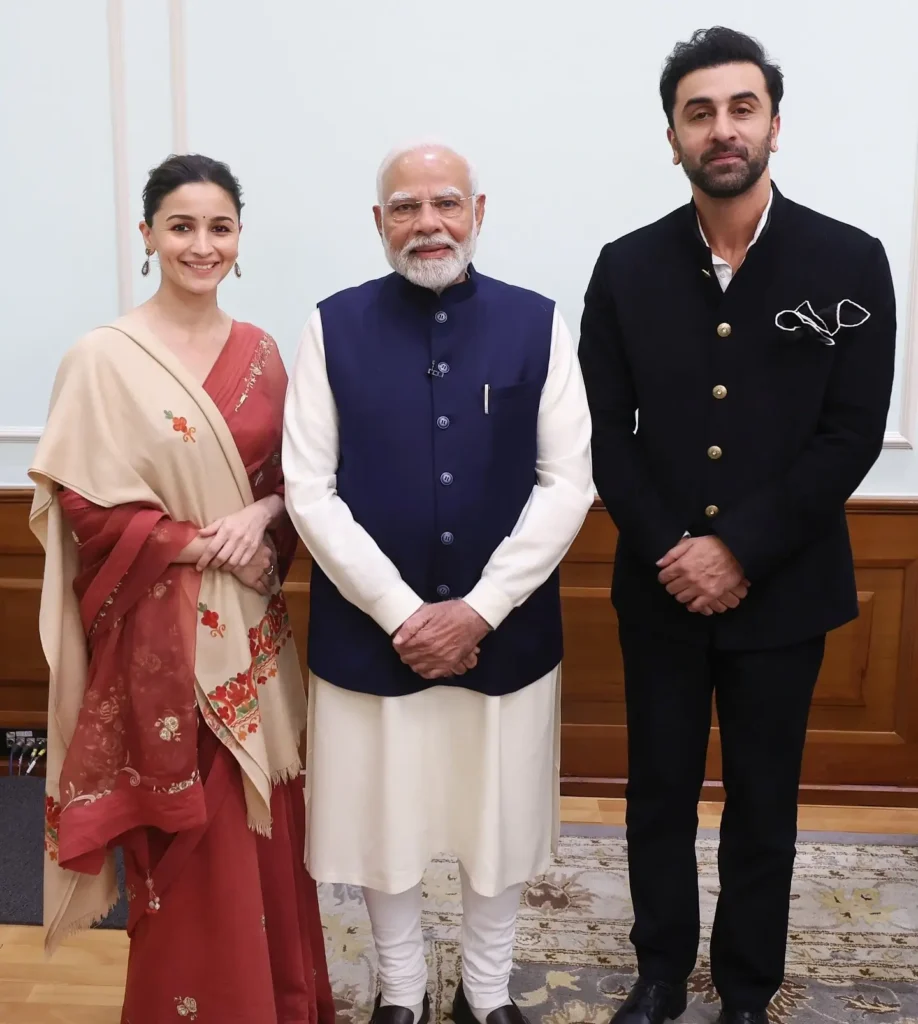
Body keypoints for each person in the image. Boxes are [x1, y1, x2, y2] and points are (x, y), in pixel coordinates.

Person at [578, 27, 896, 1024]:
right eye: (699, 111)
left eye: (741, 106)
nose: (722, 128)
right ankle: (661, 972)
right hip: (660, 586)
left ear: (774, 122)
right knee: (658, 794)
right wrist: (680, 551)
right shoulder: (624, 268)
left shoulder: (850, 259)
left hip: (784, 586)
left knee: (766, 799)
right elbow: (602, 431)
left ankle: (748, 988)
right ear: (671, 135)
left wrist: (738, 548)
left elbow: (851, 434)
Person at [283, 141, 593, 1024]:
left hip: (506, 634)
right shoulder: (330, 325)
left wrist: (481, 610)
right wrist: (401, 612)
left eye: (445, 204)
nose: (428, 224)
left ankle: (486, 994)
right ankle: (403, 992)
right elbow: (309, 487)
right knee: (387, 826)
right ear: (378, 223)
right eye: (407, 208)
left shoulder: (538, 322)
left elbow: (567, 480)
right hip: (370, 633)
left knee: (495, 825)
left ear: (479, 212)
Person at [30, 154, 335, 1024]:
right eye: (182, 226)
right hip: (159, 640)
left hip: (255, 626)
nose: (202, 245)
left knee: (269, 833)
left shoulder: (265, 354)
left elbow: (301, 475)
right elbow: (84, 510)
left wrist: (266, 512)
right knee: (190, 843)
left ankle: (280, 1002)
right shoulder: (101, 358)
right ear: (147, 237)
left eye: (220, 227)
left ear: (240, 241)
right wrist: (201, 540)